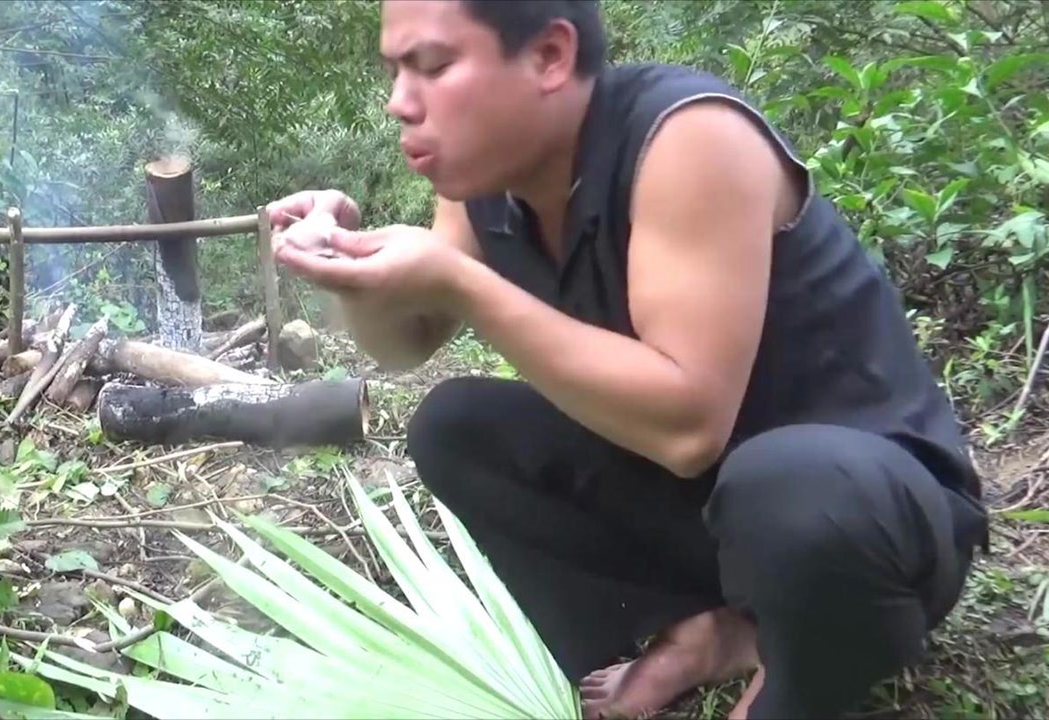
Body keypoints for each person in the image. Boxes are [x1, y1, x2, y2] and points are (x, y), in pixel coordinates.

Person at [265, 1, 991, 718]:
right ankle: (705, 630)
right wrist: (346, 272)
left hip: (863, 514)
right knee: (455, 426)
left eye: (433, 65)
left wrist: (466, 284)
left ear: (550, 55)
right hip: (717, 506)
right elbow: (407, 341)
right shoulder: (482, 181)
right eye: (396, 70)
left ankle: (795, 678)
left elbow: (689, 429)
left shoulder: (688, 136)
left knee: (784, 487)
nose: (400, 102)